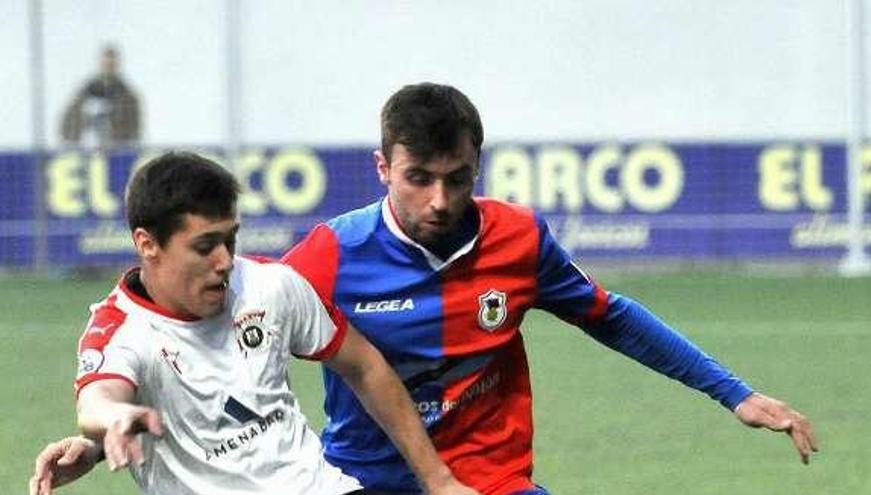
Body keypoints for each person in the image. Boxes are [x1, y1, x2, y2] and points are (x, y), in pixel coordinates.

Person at [32, 84, 818, 495]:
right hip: (364, 478)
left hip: (487, 476)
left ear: (477, 165)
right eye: (419, 179)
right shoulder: (326, 256)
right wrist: (100, 433)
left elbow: (613, 318)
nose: (440, 200)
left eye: (457, 178)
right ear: (383, 168)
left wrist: (732, 392)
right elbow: (191, 341)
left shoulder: (518, 239)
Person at [30, 151, 476, 495]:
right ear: (148, 244)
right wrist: (116, 421)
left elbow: (365, 366)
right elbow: (97, 401)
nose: (225, 261)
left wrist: (438, 481)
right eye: (205, 246)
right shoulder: (120, 329)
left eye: (230, 239)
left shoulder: (270, 284)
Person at [60, 44, 141, 150]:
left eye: (112, 61)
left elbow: (134, 130)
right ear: (101, 63)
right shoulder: (86, 92)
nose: (109, 64)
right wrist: (75, 141)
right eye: (106, 60)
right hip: (87, 151)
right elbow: (69, 123)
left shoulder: (127, 96)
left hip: (116, 152)